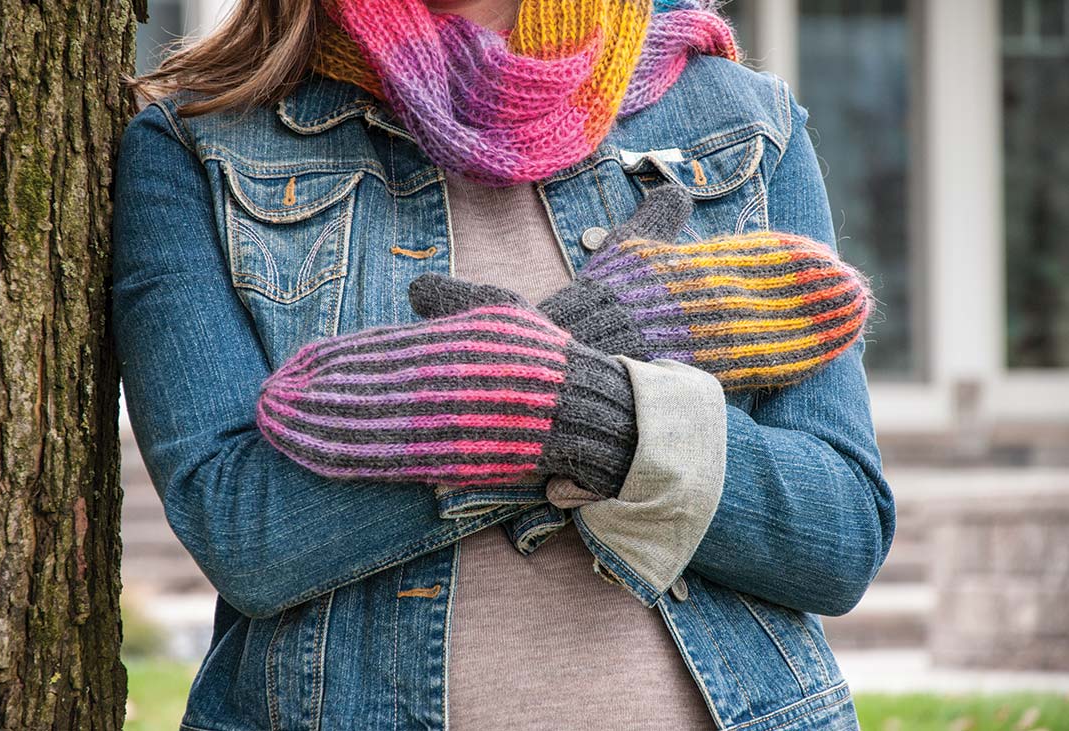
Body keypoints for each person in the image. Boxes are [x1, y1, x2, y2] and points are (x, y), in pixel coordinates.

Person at [112, 0, 896, 729]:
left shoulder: (741, 121)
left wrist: (610, 420)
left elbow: (839, 535)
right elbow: (244, 530)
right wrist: (549, 393)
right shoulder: (200, 143)